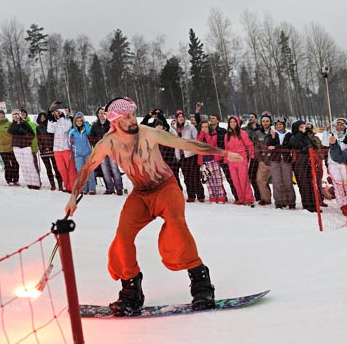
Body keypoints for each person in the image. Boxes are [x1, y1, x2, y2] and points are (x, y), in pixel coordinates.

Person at [64, 97, 244, 316]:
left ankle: (201, 284)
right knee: (122, 236)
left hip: (165, 188)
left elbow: (187, 144)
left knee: (176, 226)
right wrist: (73, 197)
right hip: (140, 194)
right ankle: (131, 289)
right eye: (126, 117)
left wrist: (224, 153)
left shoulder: (148, 133)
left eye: (132, 115)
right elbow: (86, 169)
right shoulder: (107, 143)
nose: (132, 119)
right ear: (115, 120)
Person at [322, 117, 347, 220]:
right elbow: (325, 143)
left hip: (344, 162)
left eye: (342, 124)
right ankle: (343, 205)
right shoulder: (332, 134)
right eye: (338, 124)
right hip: (333, 162)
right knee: (338, 185)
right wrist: (327, 131)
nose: (340, 126)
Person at [172, 110, 204, 202]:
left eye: (182, 116)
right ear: (176, 118)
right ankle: (191, 195)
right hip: (181, 155)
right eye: (179, 117)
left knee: (195, 175)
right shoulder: (173, 128)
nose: (181, 118)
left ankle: (200, 195)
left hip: (191, 154)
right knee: (187, 176)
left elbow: (196, 139)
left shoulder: (190, 127)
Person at [91, 106, 125, 195]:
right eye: (100, 113)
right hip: (101, 151)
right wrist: (98, 143)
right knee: (105, 170)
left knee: (114, 169)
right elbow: (91, 138)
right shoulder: (94, 126)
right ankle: (109, 188)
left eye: (104, 113)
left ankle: (119, 188)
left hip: (111, 150)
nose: (102, 115)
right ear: (97, 115)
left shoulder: (110, 124)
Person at [224, 116, 255, 206]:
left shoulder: (242, 133)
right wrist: (226, 160)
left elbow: (249, 145)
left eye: (234, 122)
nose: (233, 124)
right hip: (231, 159)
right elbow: (226, 148)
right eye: (231, 122)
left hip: (241, 158)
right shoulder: (227, 135)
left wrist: (250, 156)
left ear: (237, 123)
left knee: (243, 179)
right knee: (235, 180)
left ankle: (249, 198)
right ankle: (241, 198)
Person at [266, 117, 296, 209]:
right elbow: (269, 145)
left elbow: (289, 146)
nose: (279, 126)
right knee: (276, 181)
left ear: (284, 125)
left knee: (288, 181)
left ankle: (291, 201)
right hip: (275, 159)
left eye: (281, 124)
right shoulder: (272, 134)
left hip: (286, 159)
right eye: (277, 124)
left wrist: (276, 147)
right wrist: (273, 137)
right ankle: (278, 202)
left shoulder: (289, 134)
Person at [8, 109, 41, 189]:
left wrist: (24, 134)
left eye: (17, 114)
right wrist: (15, 123)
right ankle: (29, 182)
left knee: (30, 164)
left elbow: (32, 135)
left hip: (26, 146)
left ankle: (36, 183)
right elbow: (10, 131)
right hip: (16, 146)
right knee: (23, 165)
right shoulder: (13, 124)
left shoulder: (25, 123)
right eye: (14, 115)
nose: (16, 116)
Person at [196, 120, 227, 203]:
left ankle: (221, 196)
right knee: (209, 180)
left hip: (213, 159)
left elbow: (211, 144)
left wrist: (206, 134)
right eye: (203, 127)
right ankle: (212, 196)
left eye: (206, 127)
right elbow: (198, 144)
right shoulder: (199, 135)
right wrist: (202, 134)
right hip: (204, 161)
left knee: (217, 179)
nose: (204, 128)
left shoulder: (213, 134)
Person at [47, 107, 75, 191]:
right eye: (56, 113)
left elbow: (65, 129)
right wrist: (52, 120)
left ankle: (73, 186)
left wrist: (62, 118)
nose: (57, 114)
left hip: (66, 148)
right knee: (61, 169)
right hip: (57, 149)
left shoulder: (68, 122)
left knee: (70, 168)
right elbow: (50, 130)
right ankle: (67, 186)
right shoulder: (55, 122)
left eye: (59, 113)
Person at [69, 112, 96, 195]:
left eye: (81, 121)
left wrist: (86, 123)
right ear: (75, 122)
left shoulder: (85, 129)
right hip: (78, 155)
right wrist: (74, 150)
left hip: (87, 153)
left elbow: (89, 132)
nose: (79, 122)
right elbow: (69, 142)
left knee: (90, 171)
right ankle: (83, 188)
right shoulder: (72, 131)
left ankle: (92, 188)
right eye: (77, 121)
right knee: (81, 172)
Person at [36, 112, 64, 190]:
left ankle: (60, 184)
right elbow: (38, 139)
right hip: (43, 150)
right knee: (48, 168)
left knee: (56, 167)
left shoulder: (50, 126)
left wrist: (52, 147)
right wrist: (41, 147)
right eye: (41, 117)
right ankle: (52, 184)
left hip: (52, 149)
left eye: (44, 117)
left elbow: (54, 137)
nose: (42, 118)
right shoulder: (38, 128)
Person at [0, 110, 19, 185]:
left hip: (11, 146)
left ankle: (16, 180)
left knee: (15, 163)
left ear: (4, 115)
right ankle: (8, 180)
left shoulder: (9, 123)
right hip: (2, 147)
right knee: (7, 164)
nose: (1, 115)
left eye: (2, 114)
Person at [251, 113, 273, 206]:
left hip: (274, 160)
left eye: (267, 121)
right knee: (260, 179)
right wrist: (259, 159)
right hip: (263, 160)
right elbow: (256, 147)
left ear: (270, 122)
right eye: (263, 121)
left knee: (279, 181)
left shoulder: (274, 131)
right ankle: (265, 199)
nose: (265, 123)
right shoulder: (258, 133)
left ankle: (283, 200)